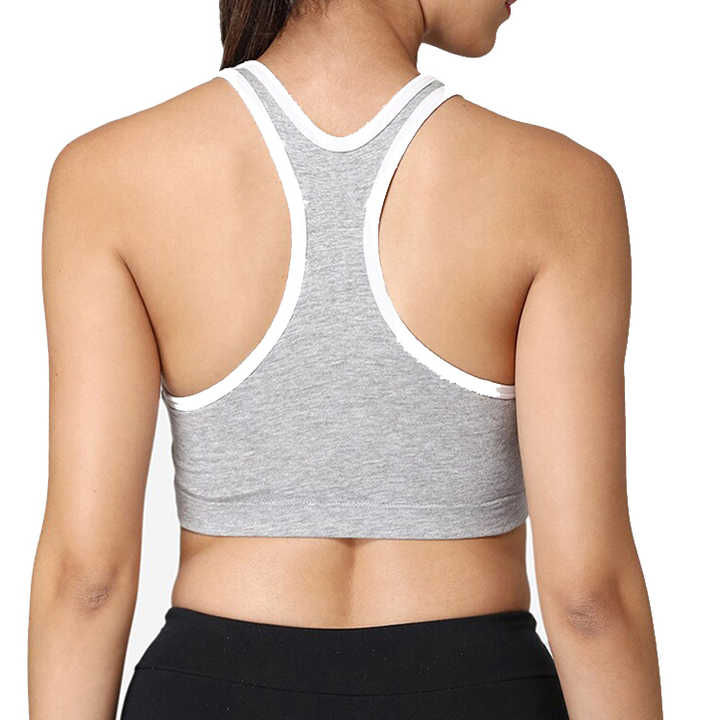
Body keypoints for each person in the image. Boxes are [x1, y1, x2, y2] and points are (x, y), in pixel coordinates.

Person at [28, 0, 663, 718]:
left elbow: (86, 580)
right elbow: (590, 600)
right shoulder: (562, 187)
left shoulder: (108, 176)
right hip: (479, 689)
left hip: (210, 691)